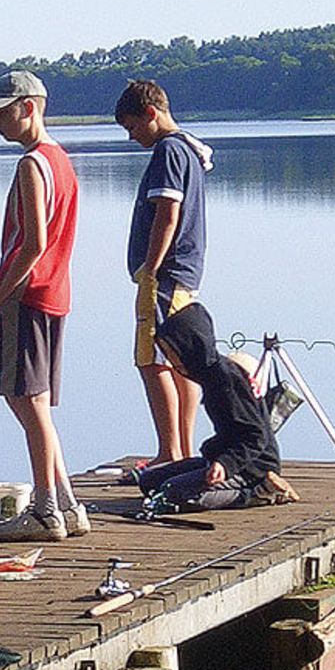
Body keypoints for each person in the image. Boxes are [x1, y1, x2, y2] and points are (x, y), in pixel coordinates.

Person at [0, 69, 89, 542]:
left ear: (30, 107)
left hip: (27, 297)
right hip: (54, 295)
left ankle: (44, 511)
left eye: (4, 114)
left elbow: (35, 241)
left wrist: (4, 290)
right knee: (36, 404)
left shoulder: (32, 165)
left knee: (27, 403)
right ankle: (66, 503)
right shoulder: (60, 160)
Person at [115, 79, 216, 477]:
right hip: (184, 273)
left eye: (133, 127)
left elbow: (167, 213)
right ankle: (181, 449)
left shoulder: (168, 151)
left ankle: (169, 451)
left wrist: (151, 269)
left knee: (151, 357)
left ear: (151, 113)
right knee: (180, 360)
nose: (132, 136)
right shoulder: (187, 149)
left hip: (166, 275)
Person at [136, 303, 299, 511]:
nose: (171, 360)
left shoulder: (226, 382)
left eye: (173, 352)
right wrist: (214, 452)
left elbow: (255, 437)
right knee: (149, 481)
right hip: (221, 457)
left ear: (190, 348)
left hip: (252, 466)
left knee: (173, 494)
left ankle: (260, 492)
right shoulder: (210, 376)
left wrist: (225, 464)